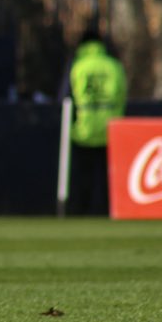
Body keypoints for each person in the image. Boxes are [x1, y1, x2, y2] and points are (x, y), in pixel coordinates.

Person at [65, 26, 127, 216]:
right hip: (111, 130)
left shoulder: (78, 66)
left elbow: (65, 98)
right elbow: (122, 96)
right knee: (108, 177)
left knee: (82, 177)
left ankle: (80, 213)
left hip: (83, 129)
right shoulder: (114, 66)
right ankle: (107, 212)